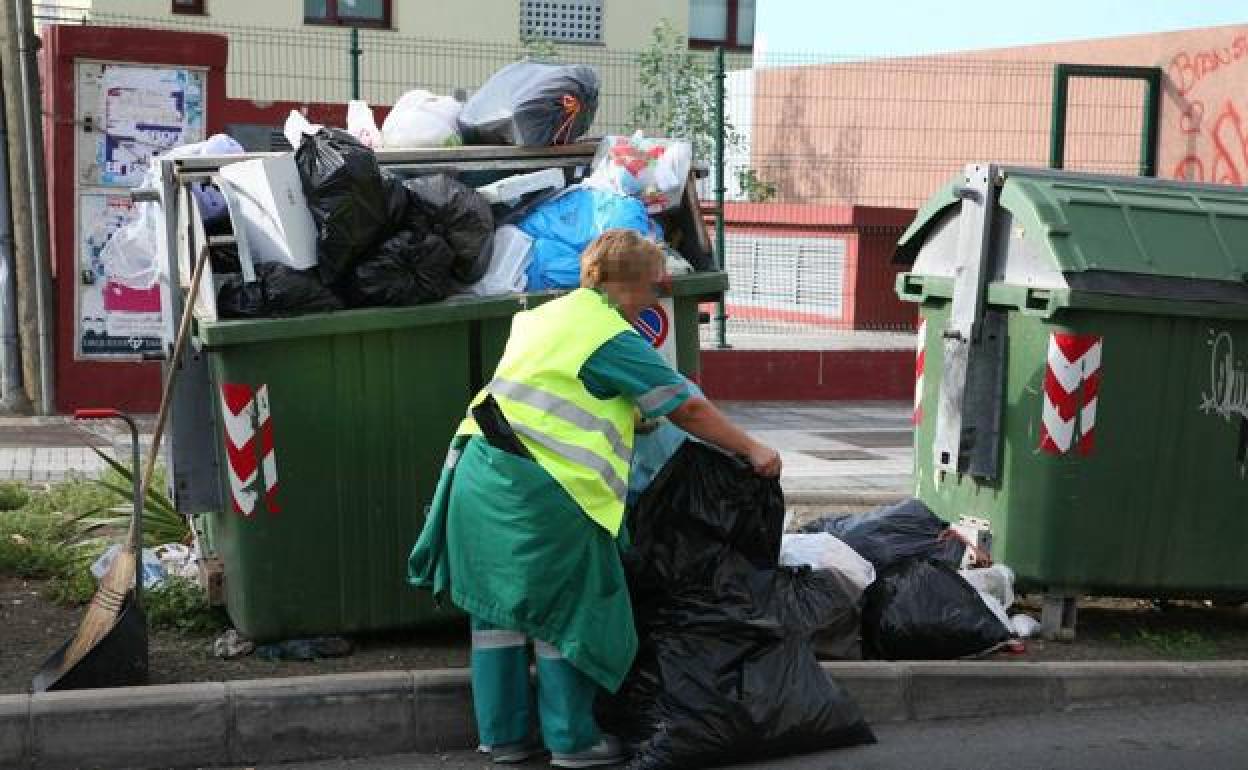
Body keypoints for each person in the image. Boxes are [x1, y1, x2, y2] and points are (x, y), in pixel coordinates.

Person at [408, 228, 781, 768]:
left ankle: (507, 739)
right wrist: (753, 449)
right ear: (627, 286)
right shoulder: (610, 335)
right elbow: (688, 408)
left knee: (501, 615)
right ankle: (573, 741)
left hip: (479, 475)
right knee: (569, 612)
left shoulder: (541, 317)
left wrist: (628, 415)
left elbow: (557, 390)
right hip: (542, 492)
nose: (655, 300)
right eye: (653, 289)